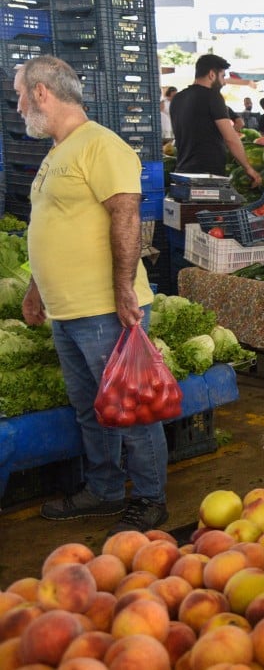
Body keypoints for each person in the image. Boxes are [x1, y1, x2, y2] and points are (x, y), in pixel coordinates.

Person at [16, 56, 171, 534]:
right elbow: (54, 224)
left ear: (42, 93)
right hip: (67, 311)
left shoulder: (101, 145)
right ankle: (103, 490)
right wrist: (36, 286)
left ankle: (150, 499)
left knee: (133, 409)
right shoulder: (58, 151)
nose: (18, 106)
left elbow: (126, 215)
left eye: (20, 95)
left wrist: (124, 288)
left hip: (105, 309)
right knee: (91, 409)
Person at [169, 54, 261, 185]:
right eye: (223, 76)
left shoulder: (177, 98)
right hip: (207, 175)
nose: (224, 82)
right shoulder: (213, 96)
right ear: (212, 74)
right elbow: (231, 138)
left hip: (182, 172)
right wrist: (248, 168)